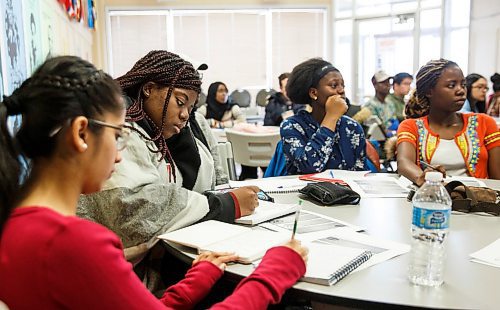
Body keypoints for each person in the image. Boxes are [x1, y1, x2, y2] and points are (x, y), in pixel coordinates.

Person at [0, 55, 308, 309]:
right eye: (118, 136)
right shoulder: (76, 243)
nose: (120, 157)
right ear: (82, 134)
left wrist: (196, 279)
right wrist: (277, 269)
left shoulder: (16, 224)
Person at [77, 51, 259, 265]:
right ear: (148, 89)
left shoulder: (188, 125)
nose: (185, 115)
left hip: (189, 240)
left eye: (190, 107)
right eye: (180, 102)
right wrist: (225, 205)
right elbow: (134, 207)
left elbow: (217, 181)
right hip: (131, 267)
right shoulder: (123, 127)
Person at [397, 59, 500, 186]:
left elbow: (497, 180)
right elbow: (404, 162)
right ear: (430, 91)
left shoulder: (484, 123)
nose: (461, 91)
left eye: (463, 85)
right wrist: (423, 178)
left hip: (479, 201)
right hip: (432, 198)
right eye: (451, 85)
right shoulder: (411, 126)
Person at [281, 58, 366, 174]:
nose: (341, 90)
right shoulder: (292, 126)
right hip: (304, 190)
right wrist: (331, 117)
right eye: (334, 85)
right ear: (313, 93)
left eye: (343, 85)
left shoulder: (352, 127)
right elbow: (309, 167)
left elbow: (359, 173)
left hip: (346, 190)